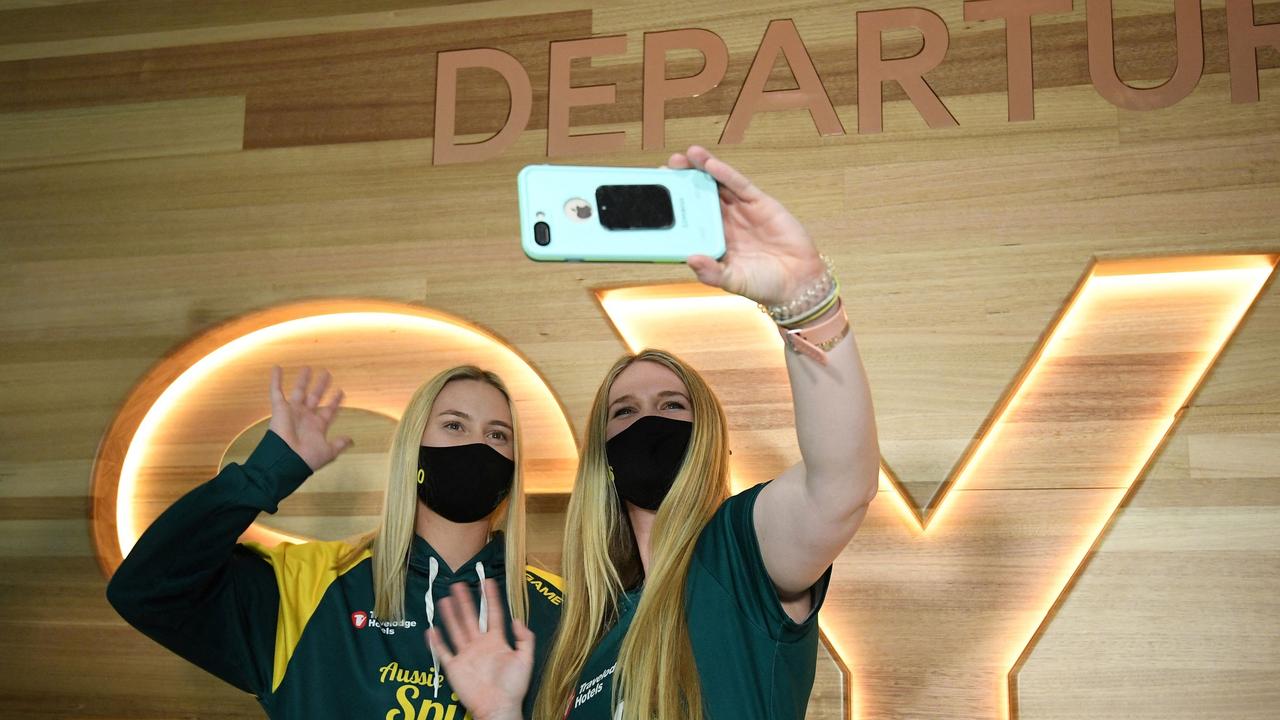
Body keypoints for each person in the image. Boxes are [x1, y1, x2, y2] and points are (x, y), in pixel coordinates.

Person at [430, 145, 880, 720]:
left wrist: (804, 300)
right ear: (603, 457)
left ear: (708, 436)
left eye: (672, 404)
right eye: (623, 411)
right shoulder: (586, 643)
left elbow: (841, 484)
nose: (647, 421)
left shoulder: (738, 554)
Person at [107, 364, 563, 719]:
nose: (477, 446)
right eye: (455, 426)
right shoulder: (307, 586)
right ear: (413, 448)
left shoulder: (563, 608)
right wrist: (266, 474)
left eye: (497, 435)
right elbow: (146, 588)